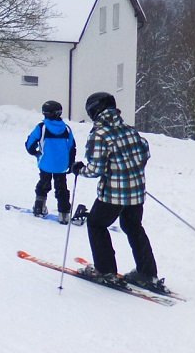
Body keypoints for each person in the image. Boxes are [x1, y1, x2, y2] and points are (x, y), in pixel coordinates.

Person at [74, 91, 161, 289]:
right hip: (136, 192)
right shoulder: (129, 130)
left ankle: (105, 271)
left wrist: (80, 170)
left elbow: (96, 169)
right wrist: (130, 169)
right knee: (133, 226)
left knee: (96, 224)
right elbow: (145, 152)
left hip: (113, 194)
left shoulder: (100, 134)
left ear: (94, 110)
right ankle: (147, 273)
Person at [25, 100, 77, 222]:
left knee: (43, 184)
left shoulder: (42, 127)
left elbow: (30, 143)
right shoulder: (66, 128)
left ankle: (39, 208)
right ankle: (64, 214)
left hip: (46, 163)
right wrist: (70, 163)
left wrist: (35, 153)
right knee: (62, 188)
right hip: (61, 166)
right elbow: (71, 147)